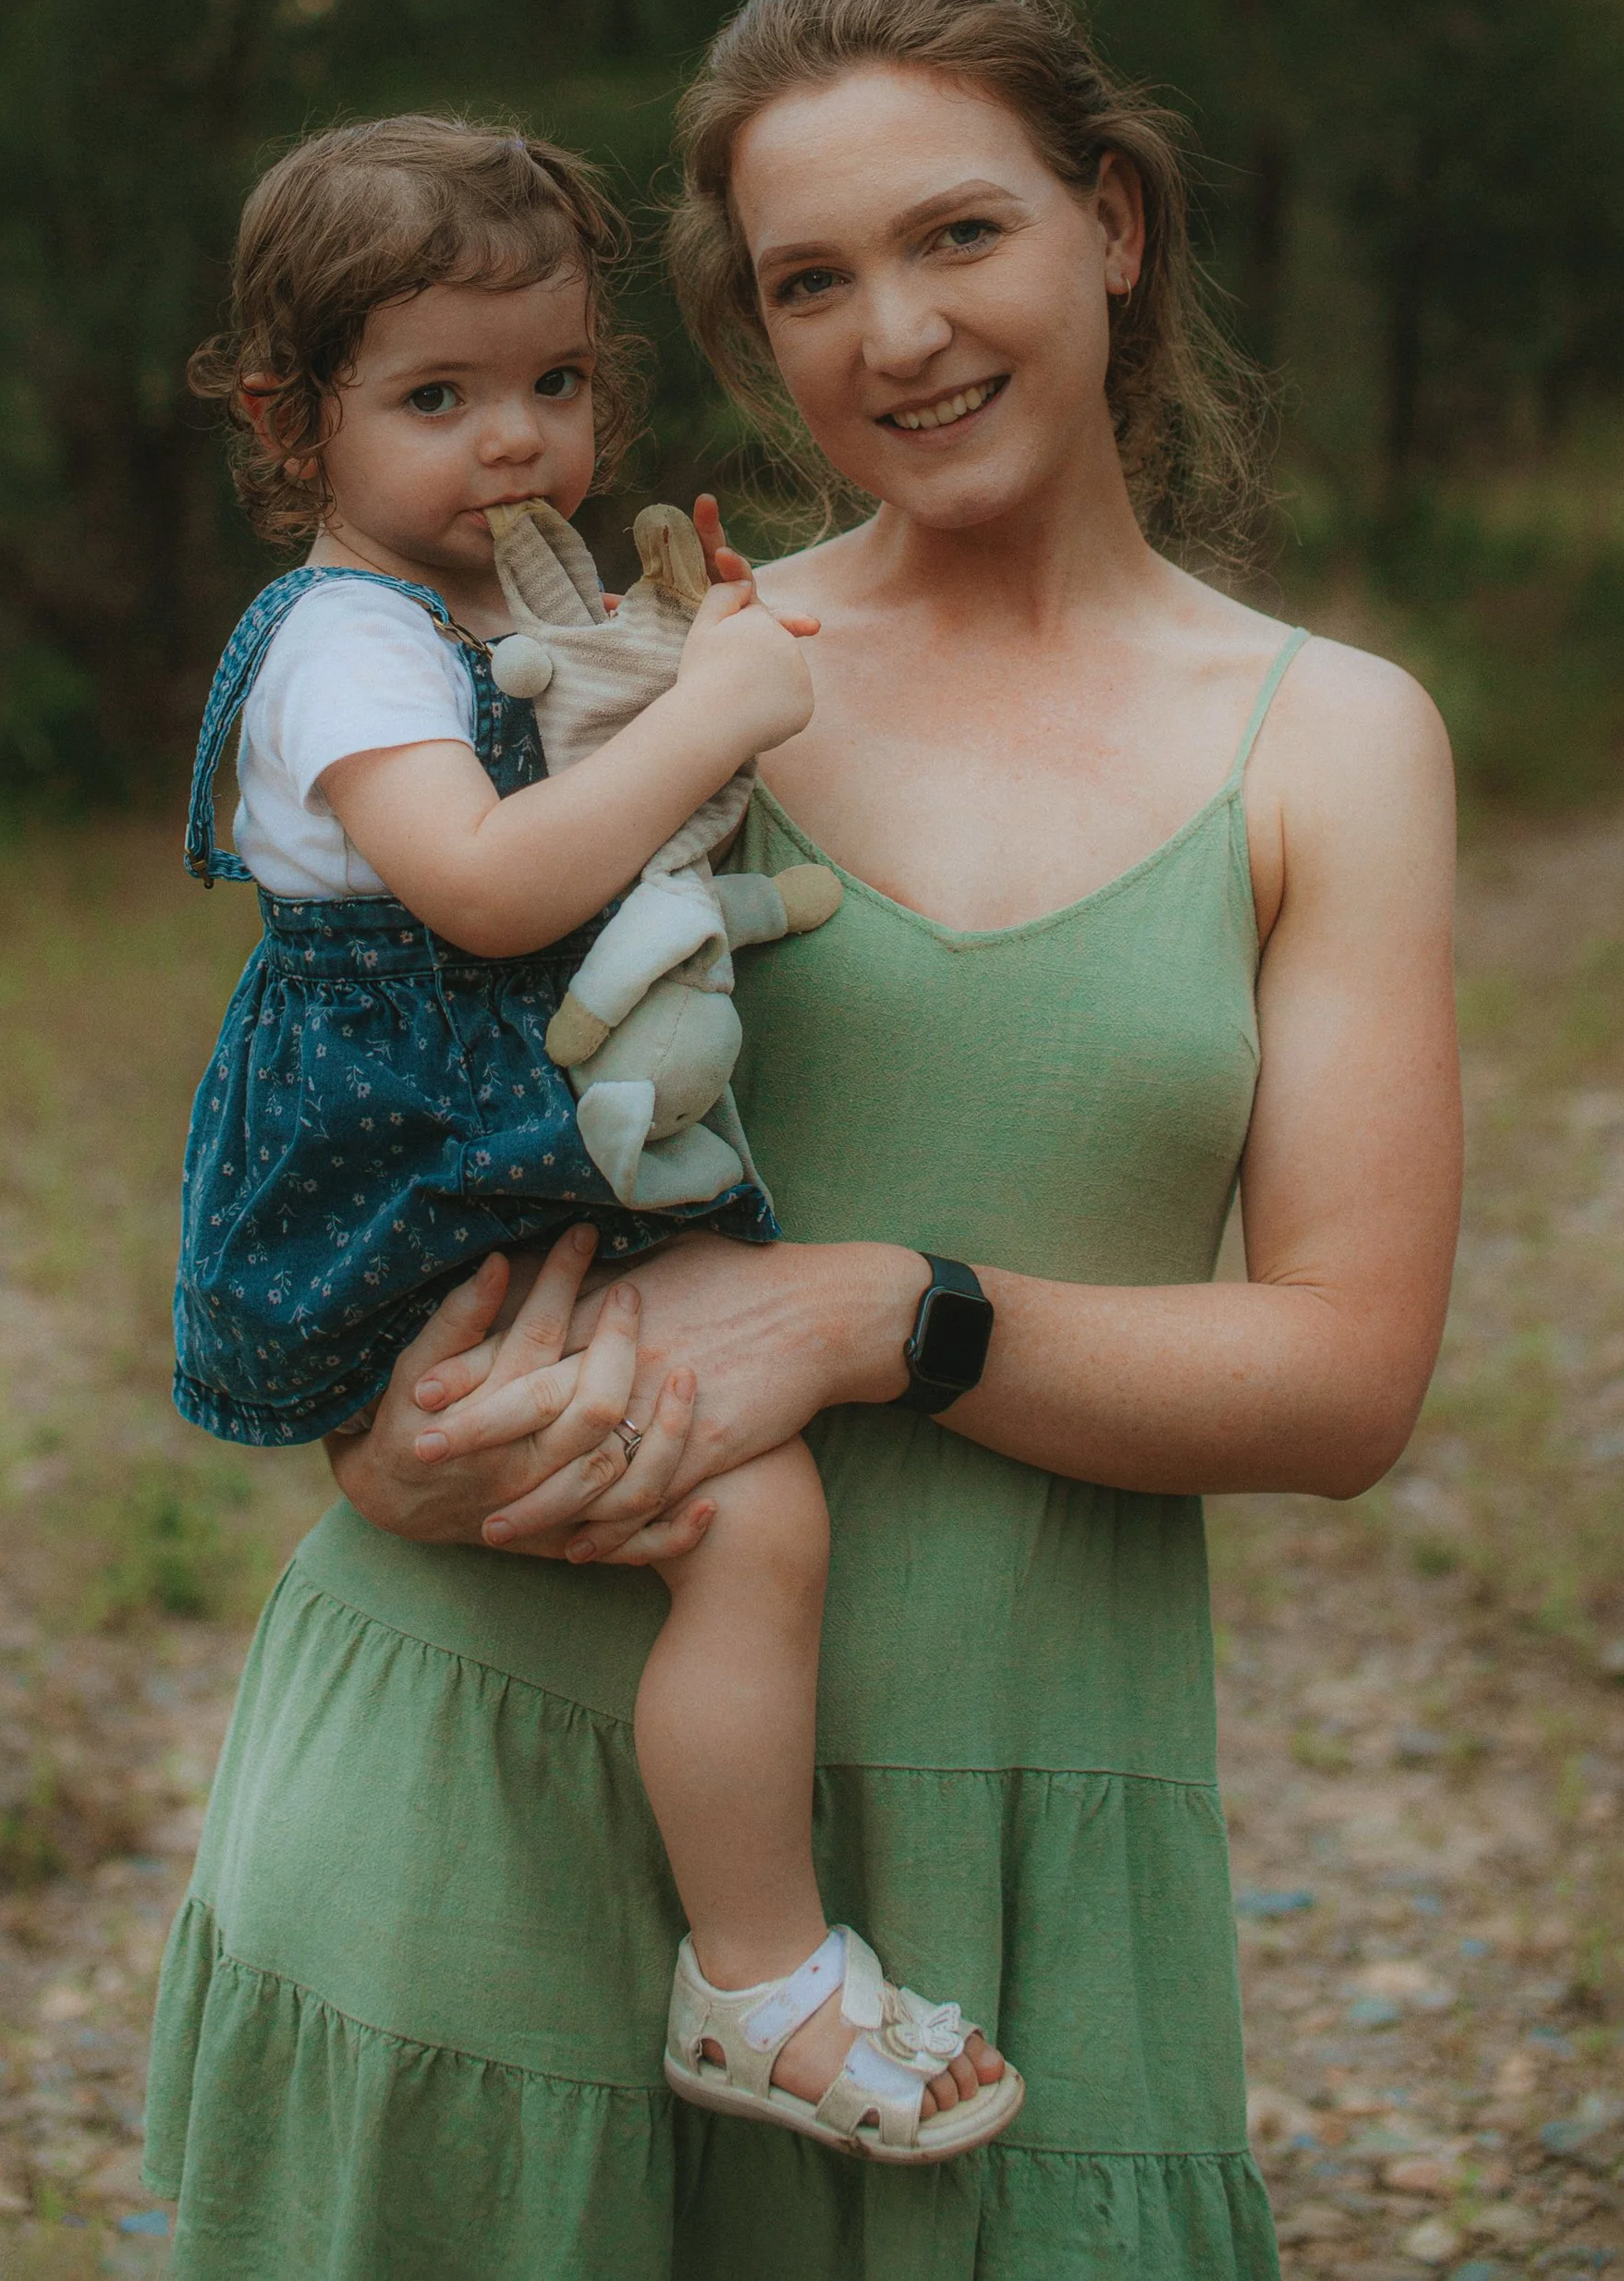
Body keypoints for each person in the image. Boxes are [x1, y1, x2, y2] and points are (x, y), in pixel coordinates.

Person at [146, 0, 1463, 2281]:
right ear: (751, 334)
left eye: (960, 234)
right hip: (482, 1777)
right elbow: (372, 1105)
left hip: (990, 1857)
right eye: (809, 282)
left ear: (1111, 224)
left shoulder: (1329, 741)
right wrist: (377, 1432)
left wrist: (881, 1312)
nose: (900, 334)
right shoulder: (649, 683)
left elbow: (1345, 1377)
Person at [174, 112, 1023, 2166]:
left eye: (552, 385)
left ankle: (756, 1963)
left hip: (480, 1158)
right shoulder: (344, 645)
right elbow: (478, 887)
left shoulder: (459, 618)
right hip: (407, 1184)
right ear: (296, 421)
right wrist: (716, 718)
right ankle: (757, 1977)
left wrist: (661, 687)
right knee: (748, 1521)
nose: (515, 446)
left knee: (747, 1522)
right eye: (437, 397)